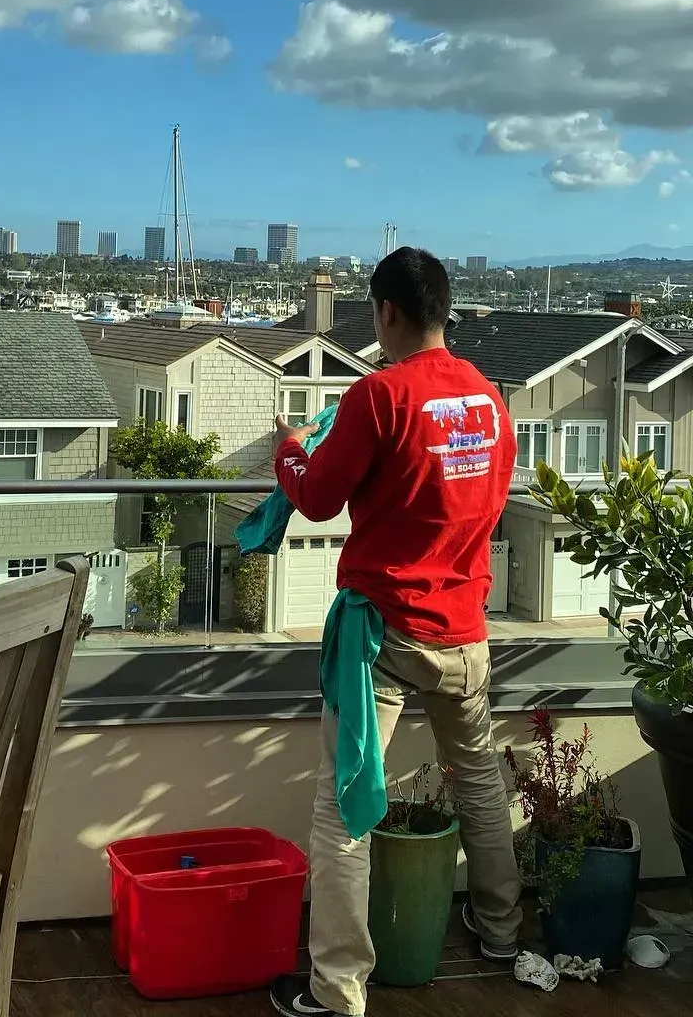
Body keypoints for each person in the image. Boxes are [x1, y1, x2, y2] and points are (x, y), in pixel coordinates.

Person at [268, 248, 522, 1017]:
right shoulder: (488, 399)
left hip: (385, 637)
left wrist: (288, 448)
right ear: (442, 309)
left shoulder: (378, 396)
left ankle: (338, 989)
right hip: (465, 630)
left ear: (385, 314)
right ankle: (502, 930)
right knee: (477, 778)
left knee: (344, 807)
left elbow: (315, 499)